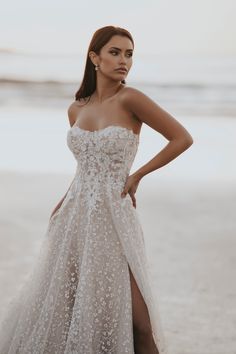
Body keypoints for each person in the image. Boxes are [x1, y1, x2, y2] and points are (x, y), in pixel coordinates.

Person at [0, 25, 193, 354]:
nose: (124, 61)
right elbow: (84, 166)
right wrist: (62, 203)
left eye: (129, 54)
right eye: (115, 52)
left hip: (115, 216)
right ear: (95, 58)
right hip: (74, 217)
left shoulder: (131, 99)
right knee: (75, 310)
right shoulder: (76, 108)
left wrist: (138, 175)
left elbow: (182, 138)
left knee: (139, 321)